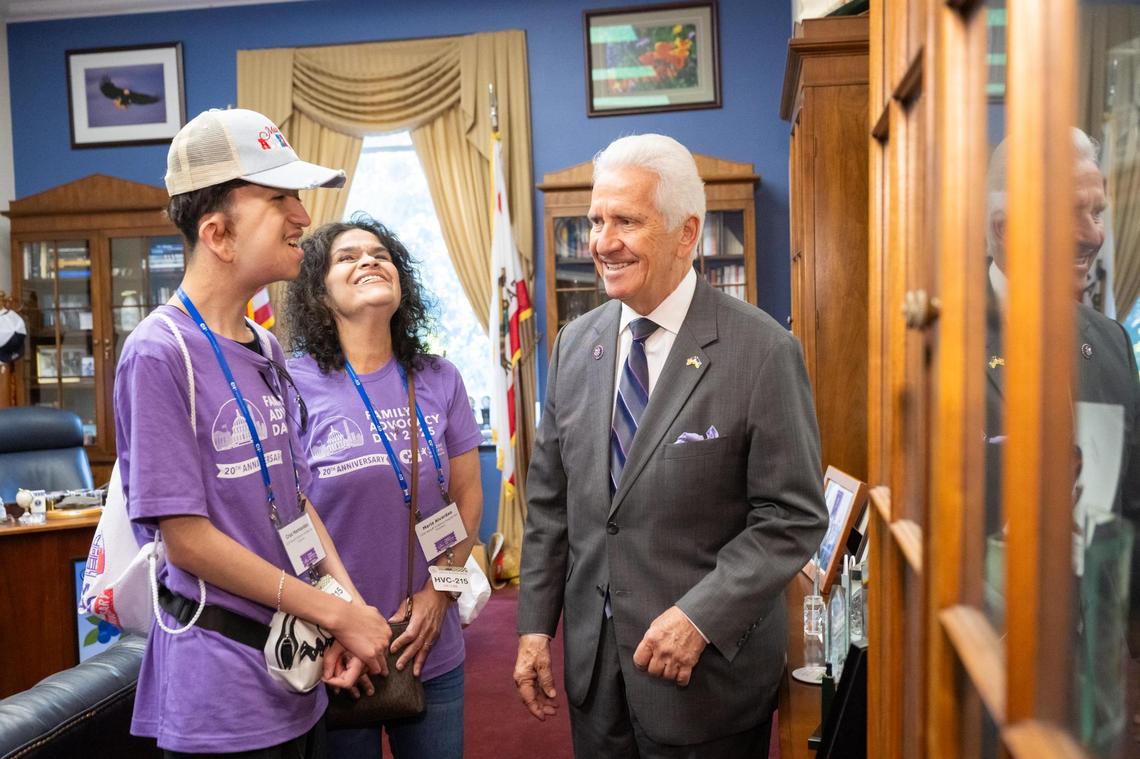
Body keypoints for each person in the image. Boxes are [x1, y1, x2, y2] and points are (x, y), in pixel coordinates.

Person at [513, 133, 828, 757]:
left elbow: (791, 517)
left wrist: (699, 617)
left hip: (704, 680)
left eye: (626, 221)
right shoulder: (576, 345)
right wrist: (532, 628)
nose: (603, 242)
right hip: (596, 677)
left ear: (687, 234)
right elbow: (552, 506)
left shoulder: (762, 352)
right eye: (597, 220)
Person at [115, 107, 392, 758]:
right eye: (280, 198)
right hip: (219, 694)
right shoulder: (159, 353)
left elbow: (293, 508)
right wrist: (336, 614)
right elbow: (187, 542)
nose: (303, 216)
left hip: (295, 680)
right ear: (217, 232)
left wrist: (346, 611)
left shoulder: (267, 347)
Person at [285, 216, 484, 759]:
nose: (369, 261)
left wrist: (438, 592)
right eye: (347, 257)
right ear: (318, 294)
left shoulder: (440, 377)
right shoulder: (290, 383)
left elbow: (467, 503)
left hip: (429, 641)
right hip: (338, 648)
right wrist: (342, 618)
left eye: (380, 254)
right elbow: (289, 517)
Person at [983, 128, 1140, 752]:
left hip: (1095, 706)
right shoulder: (937, 342)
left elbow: (1126, 510)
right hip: (983, 697)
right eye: (1071, 213)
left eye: (1097, 210)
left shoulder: (1111, 345)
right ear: (1002, 228)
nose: (1095, 234)